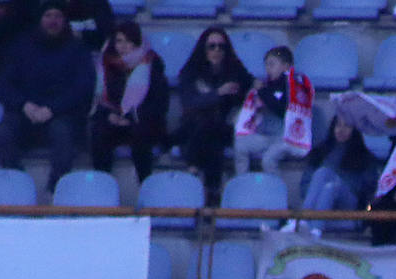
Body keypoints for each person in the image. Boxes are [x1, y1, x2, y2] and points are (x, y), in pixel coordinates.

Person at [0, 0, 95, 193]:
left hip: (62, 115)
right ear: (40, 19)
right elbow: (0, 84)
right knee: (3, 133)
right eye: (48, 16)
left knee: (63, 133)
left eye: (57, 16)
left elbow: (83, 88)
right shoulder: (21, 46)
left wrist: (52, 109)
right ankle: (17, 186)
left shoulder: (78, 49)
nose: (53, 21)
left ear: (65, 21)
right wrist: (24, 105)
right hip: (25, 113)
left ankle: (56, 189)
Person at [173, 26, 251, 198]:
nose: (216, 50)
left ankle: (193, 168)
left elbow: (250, 85)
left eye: (221, 46)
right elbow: (189, 102)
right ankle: (212, 190)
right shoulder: (190, 72)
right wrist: (218, 93)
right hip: (194, 127)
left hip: (221, 129)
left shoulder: (235, 71)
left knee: (210, 128)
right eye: (212, 46)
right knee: (208, 131)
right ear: (204, 49)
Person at [89, 20, 166, 185]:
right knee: (99, 132)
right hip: (114, 117)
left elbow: (159, 103)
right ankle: (102, 186)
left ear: (137, 42)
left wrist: (130, 117)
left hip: (143, 119)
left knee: (141, 135)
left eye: (129, 41)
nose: (123, 46)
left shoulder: (152, 64)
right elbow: (102, 100)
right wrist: (110, 115)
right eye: (119, 41)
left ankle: (146, 186)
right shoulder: (106, 63)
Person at [232, 45, 312, 180]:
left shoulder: (294, 87)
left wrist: (262, 92)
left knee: (268, 160)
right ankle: (242, 184)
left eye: (272, 64)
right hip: (267, 136)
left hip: (286, 139)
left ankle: (277, 195)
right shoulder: (267, 85)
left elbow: (281, 109)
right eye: (266, 65)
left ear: (286, 67)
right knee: (240, 146)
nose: (268, 69)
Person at [292, 115, 380, 235]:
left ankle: (303, 220)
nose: (341, 130)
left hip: (349, 203)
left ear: (355, 130)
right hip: (320, 201)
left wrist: (341, 181)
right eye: (338, 125)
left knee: (330, 181)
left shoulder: (364, 156)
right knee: (327, 184)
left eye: (347, 126)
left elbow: (367, 188)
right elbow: (305, 185)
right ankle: (314, 231)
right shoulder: (320, 152)